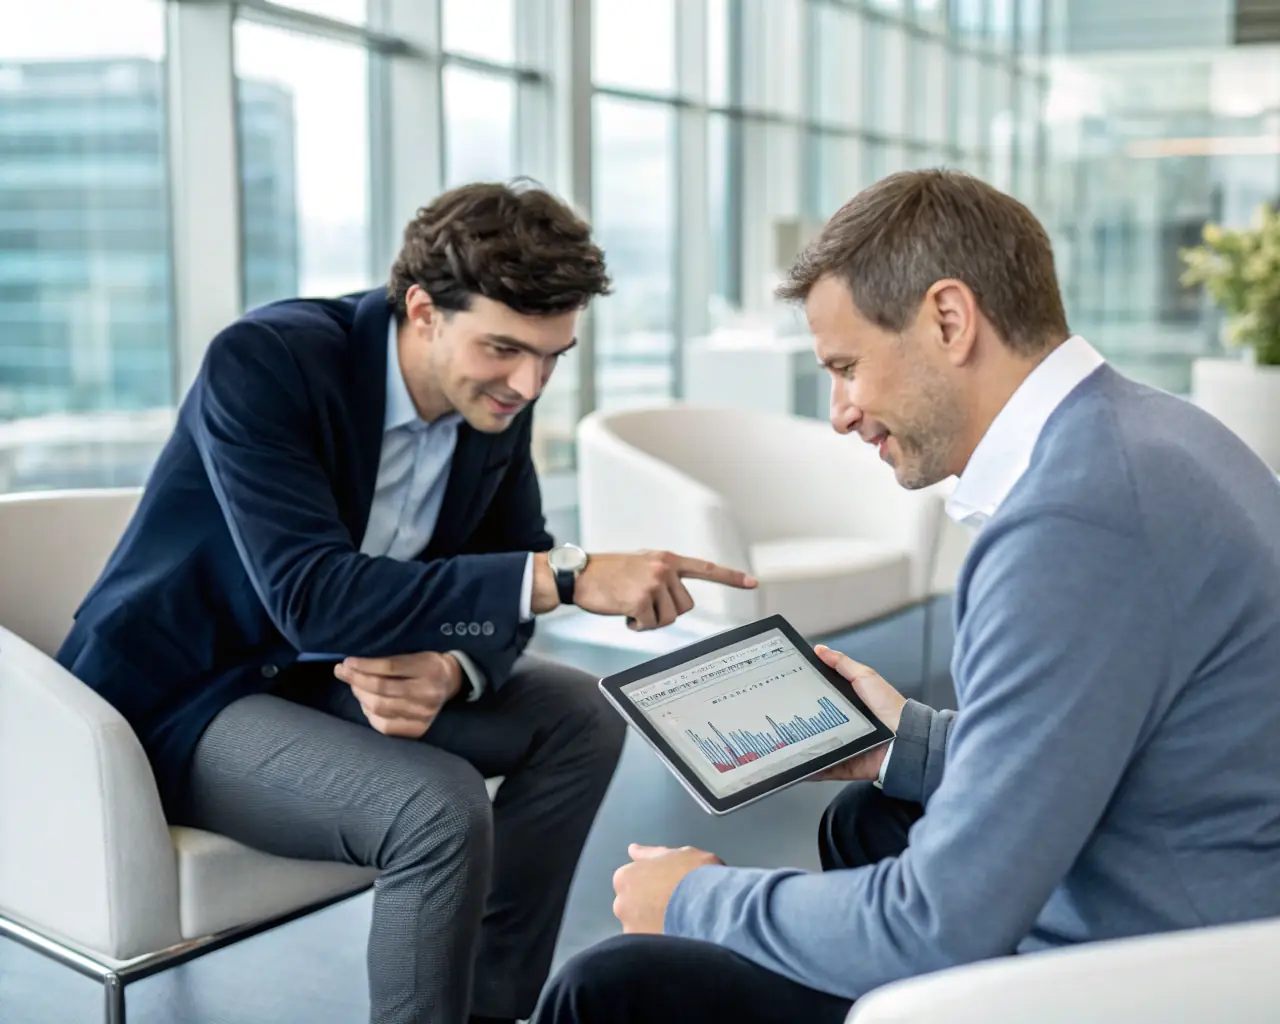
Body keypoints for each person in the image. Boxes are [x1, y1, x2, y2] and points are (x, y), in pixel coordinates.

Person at [535, 170, 1280, 1024]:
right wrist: (908, 743)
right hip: (1241, 901)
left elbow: (933, 925)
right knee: (870, 813)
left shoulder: (1072, 526)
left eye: (847, 367)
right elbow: (1117, 725)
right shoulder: (1159, 434)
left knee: (609, 990)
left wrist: (695, 900)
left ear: (949, 319)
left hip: (1161, 977)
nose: (840, 413)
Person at [57, 180, 757, 1024]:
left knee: (581, 715)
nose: (529, 383)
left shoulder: (491, 400)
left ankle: (494, 1012)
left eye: (552, 357)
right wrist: (565, 575)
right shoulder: (266, 362)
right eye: (505, 349)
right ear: (422, 309)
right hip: (192, 694)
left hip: (330, 677)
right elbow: (311, 598)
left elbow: (500, 574)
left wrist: (451, 666)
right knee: (436, 806)